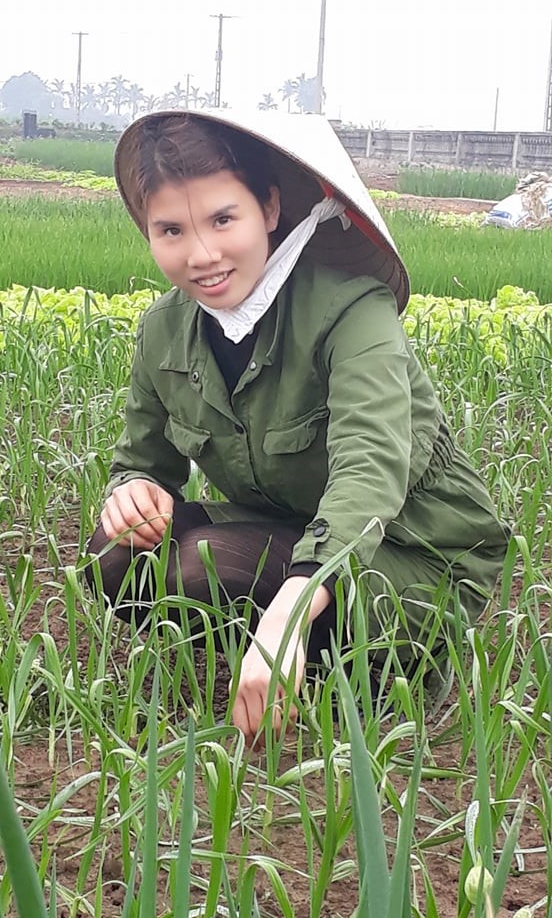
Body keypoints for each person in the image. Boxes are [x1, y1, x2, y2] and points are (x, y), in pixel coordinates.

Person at [82, 109, 509, 747]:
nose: (202, 255)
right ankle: (291, 647)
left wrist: (290, 607)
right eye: (170, 230)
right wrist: (133, 492)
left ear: (271, 208)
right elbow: (142, 462)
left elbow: (370, 471)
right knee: (116, 557)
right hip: (289, 535)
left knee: (203, 565)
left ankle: (357, 665)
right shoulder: (163, 331)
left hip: (415, 556)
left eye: (224, 220)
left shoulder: (351, 310)